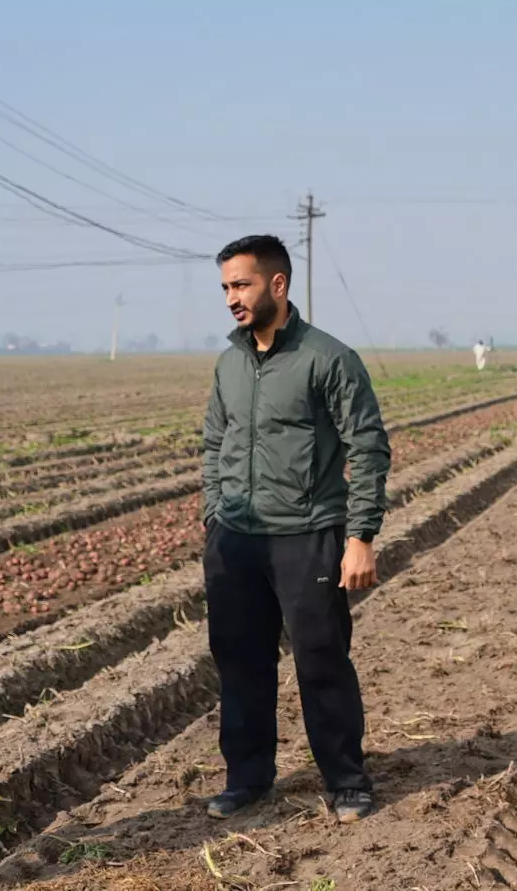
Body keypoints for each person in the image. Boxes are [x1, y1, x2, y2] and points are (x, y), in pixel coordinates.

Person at [201, 234, 391, 824]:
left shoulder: (327, 358)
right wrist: (214, 514)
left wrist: (359, 535)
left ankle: (346, 780)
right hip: (236, 537)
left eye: (242, 284)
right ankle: (247, 778)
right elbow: (215, 441)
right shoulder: (229, 362)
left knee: (320, 658)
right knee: (240, 661)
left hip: (307, 534)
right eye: (227, 286)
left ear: (277, 285)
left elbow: (369, 445)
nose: (233, 297)